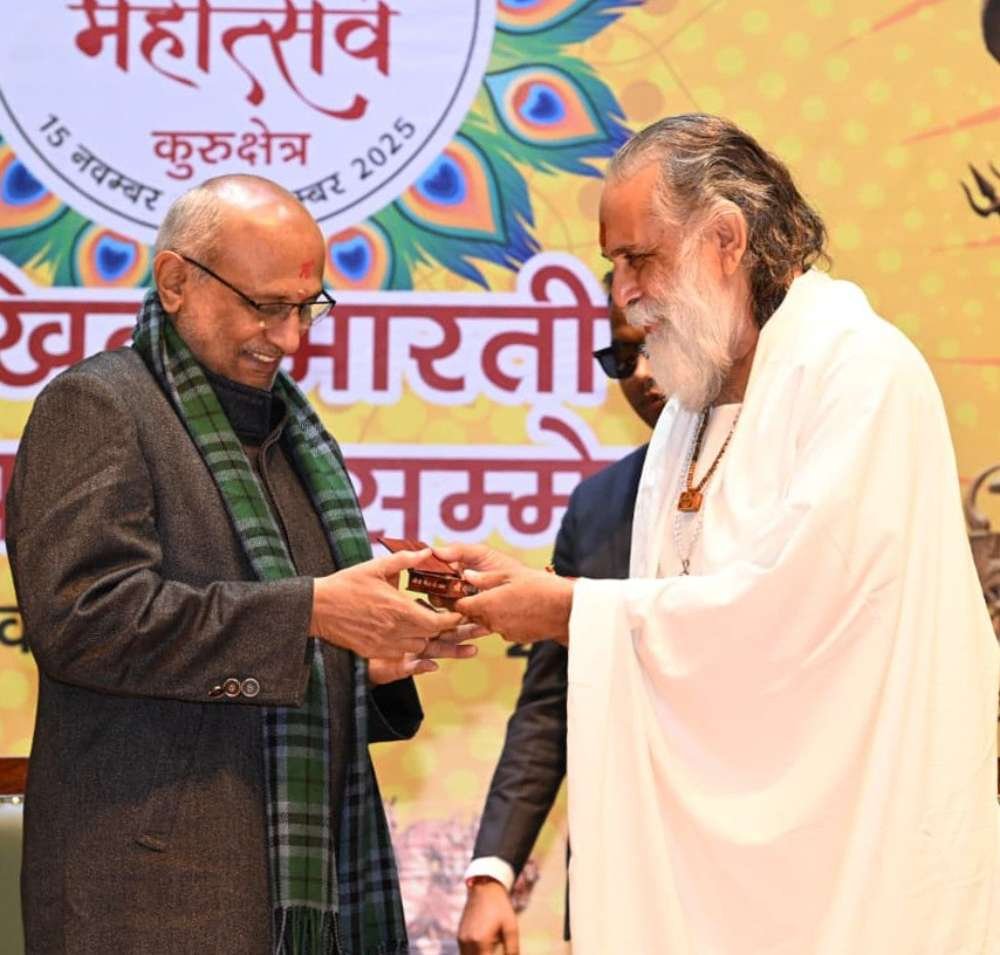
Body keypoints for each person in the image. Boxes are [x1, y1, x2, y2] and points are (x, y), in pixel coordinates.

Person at [436, 114, 1000, 954]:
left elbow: (795, 619)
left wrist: (568, 610)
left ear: (726, 239)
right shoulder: (689, 410)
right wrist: (547, 602)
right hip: (716, 886)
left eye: (640, 258)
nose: (624, 293)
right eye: (614, 265)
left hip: (848, 871)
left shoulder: (859, 372)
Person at [7, 175, 479, 955]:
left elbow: (274, 657)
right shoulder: (99, 405)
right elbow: (84, 620)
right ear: (175, 281)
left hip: (293, 893)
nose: (289, 338)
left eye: (306, 308)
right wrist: (312, 613)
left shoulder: (292, 439)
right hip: (150, 904)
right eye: (265, 306)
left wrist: (365, 663)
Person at [457, 296, 664, 954]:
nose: (643, 374)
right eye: (624, 356)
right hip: (616, 883)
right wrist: (493, 872)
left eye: (658, 345)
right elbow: (552, 703)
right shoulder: (598, 505)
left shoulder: (777, 484)